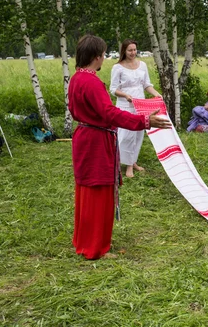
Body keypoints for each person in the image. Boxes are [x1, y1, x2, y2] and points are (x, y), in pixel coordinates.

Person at [68, 35, 171, 260]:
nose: (104, 57)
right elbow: (109, 113)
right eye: (103, 54)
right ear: (97, 56)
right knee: (98, 193)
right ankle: (95, 248)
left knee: (87, 192)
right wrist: (143, 121)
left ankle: (84, 240)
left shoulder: (77, 78)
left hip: (86, 138)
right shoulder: (91, 81)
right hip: (95, 141)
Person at [109, 39, 162, 178]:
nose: (133, 53)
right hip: (125, 104)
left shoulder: (142, 65)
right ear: (124, 52)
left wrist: (156, 94)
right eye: (130, 50)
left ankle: (133, 161)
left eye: (134, 50)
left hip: (140, 104)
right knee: (126, 135)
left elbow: (146, 84)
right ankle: (126, 165)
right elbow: (113, 89)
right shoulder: (118, 67)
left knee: (138, 134)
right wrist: (125, 95)